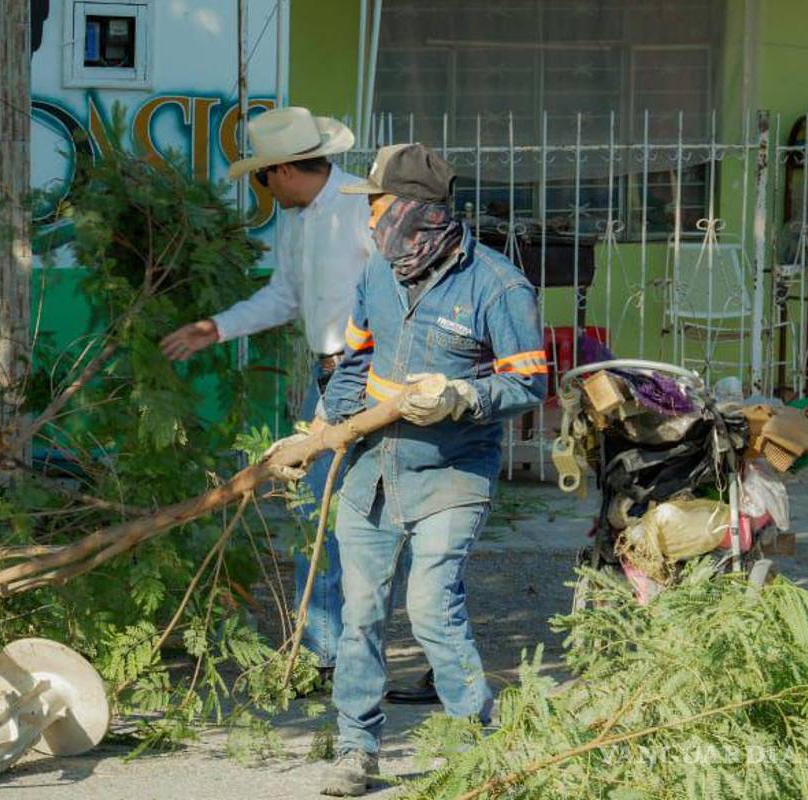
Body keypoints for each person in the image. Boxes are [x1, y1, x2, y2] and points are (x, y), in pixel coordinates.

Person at [316, 143, 547, 796]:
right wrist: (327, 428)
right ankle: (356, 750)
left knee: (430, 608)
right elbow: (352, 361)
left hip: (451, 474)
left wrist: (462, 396)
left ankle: (478, 746)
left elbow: (529, 384)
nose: (368, 218)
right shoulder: (376, 275)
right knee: (359, 615)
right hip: (372, 475)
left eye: (378, 204)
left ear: (413, 211)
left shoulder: (498, 284)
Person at [160, 106, 372, 680]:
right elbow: (284, 297)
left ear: (281, 170)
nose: (262, 189)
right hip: (328, 374)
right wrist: (216, 327)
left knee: (336, 517)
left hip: (369, 373)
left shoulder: (363, 204)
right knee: (313, 515)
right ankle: (325, 656)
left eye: (261, 176)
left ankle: (333, 657)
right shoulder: (297, 221)